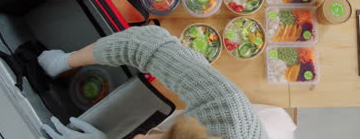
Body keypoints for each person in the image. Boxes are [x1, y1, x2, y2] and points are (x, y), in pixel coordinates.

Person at [38, 26, 295, 139]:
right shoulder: (229, 115)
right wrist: (64, 62)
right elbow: (145, 43)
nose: (137, 138)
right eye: (161, 135)